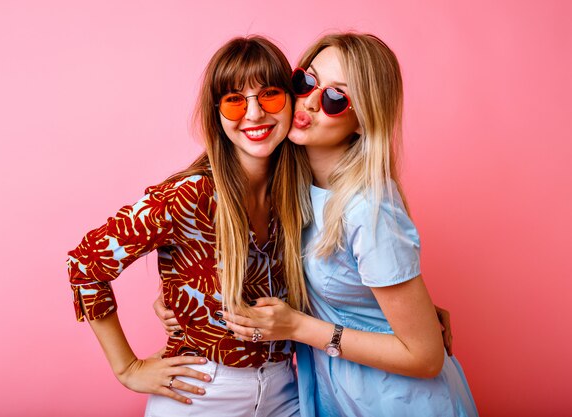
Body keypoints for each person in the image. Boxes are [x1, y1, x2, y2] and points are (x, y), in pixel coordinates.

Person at [217, 33, 479, 416]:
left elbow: (426, 357)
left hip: (400, 404)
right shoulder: (291, 186)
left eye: (335, 98)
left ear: (363, 120)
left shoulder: (369, 209)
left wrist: (298, 327)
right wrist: (176, 295)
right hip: (338, 397)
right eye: (305, 81)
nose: (309, 101)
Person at [67, 36, 309, 417]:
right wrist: (127, 368)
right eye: (234, 100)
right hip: (203, 393)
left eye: (270, 95)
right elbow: (85, 263)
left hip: (286, 389)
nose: (255, 114)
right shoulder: (191, 194)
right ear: (217, 113)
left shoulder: (299, 192)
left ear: (291, 102)